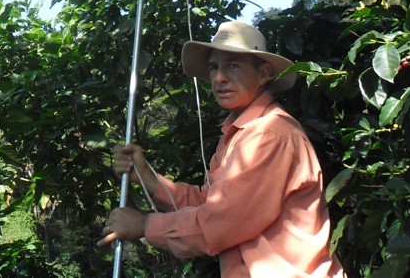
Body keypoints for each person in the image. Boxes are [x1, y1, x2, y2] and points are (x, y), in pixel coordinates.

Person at [98, 20, 346, 278]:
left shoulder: (268, 134)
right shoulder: (238, 134)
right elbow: (209, 201)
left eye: (233, 65)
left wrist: (144, 225)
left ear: (262, 74)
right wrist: (145, 176)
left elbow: (223, 221)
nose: (219, 77)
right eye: (214, 67)